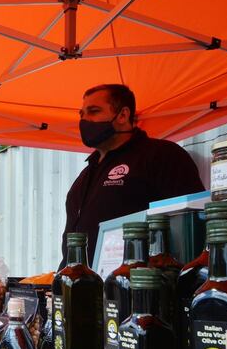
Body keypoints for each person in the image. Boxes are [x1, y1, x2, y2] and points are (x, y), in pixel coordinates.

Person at [61, 84, 204, 266]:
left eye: (93, 111)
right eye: (82, 115)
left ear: (122, 115)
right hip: (78, 283)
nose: (84, 121)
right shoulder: (86, 175)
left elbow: (192, 221)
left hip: (136, 284)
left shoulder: (161, 155)